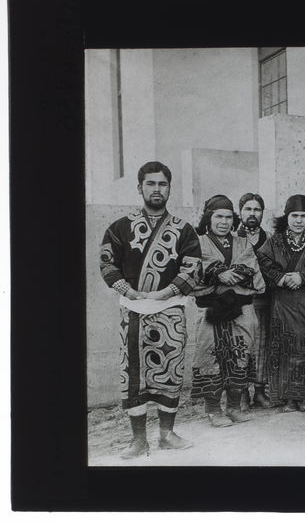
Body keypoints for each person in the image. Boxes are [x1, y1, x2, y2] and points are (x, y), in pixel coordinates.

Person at [99, 161, 202, 459]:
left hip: (170, 311)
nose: (157, 189)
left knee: (170, 370)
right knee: (133, 375)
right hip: (132, 312)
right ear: (140, 187)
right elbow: (107, 264)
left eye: (162, 184)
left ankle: (167, 434)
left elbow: (192, 267)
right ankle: (139, 440)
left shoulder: (184, 230)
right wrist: (128, 290)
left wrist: (164, 292)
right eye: (151, 184)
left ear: (169, 188)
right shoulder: (119, 227)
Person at [190, 195, 266, 427]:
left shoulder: (243, 243)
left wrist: (225, 275)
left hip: (241, 310)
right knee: (210, 356)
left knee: (240, 355)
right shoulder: (197, 243)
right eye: (218, 216)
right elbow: (192, 274)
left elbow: (254, 273)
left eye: (228, 217)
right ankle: (214, 410)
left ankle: (233, 407)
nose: (223, 221)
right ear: (208, 218)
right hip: (211, 310)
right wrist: (218, 273)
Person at [257, 194, 305, 412]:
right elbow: (263, 261)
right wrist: (282, 278)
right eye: (294, 215)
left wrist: (303, 277)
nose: (299, 220)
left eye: (303, 215)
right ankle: (288, 398)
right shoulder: (275, 242)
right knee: (286, 347)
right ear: (286, 217)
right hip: (283, 301)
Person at [236, 193, 273, 409]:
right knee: (240, 347)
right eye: (248, 209)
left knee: (261, 346)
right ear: (240, 212)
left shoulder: (269, 239)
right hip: (238, 303)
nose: (252, 213)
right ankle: (241, 393)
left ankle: (260, 391)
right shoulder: (232, 237)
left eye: (257, 209)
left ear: (262, 213)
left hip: (263, 301)